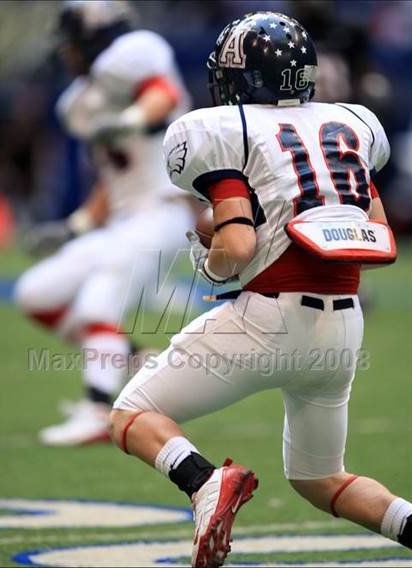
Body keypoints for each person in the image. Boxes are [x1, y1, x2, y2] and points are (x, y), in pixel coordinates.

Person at [109, 11, 412, 568]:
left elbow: (239, 248)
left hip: (269, 314)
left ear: (242, 78)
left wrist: (215, 262)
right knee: (320, 478)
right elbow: (376, 231)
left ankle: (203, 483)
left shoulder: (225, 131)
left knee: (131, 414)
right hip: (342, 328)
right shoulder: (352, 126)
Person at [15, 0, 193, 446]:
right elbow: (113, 177)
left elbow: (162, 96)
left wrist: (128, 119)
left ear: (96, 36)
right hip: (123, 219)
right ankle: (135, 359)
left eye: (73, 41)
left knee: (100, 298)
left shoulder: (138, 59)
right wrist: (75, 226)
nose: (67, 52)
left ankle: (99, 408)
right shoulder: (83, 101)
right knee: (37, 292)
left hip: (165, 211)